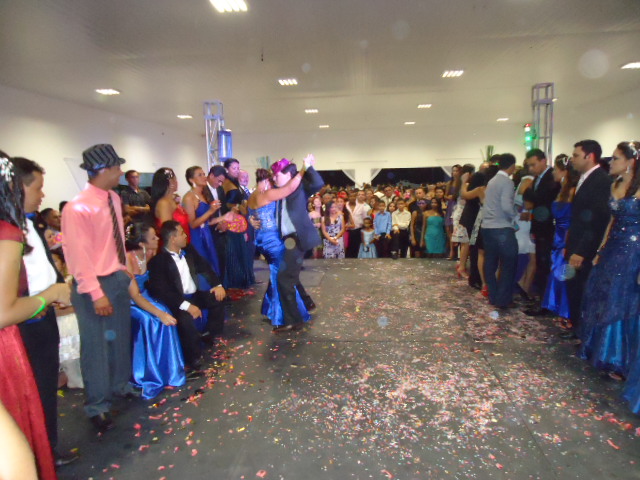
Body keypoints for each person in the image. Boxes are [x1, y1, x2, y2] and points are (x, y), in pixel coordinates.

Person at [0, 153, 70, 480]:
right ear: (16, 187)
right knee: (30, 398)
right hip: (21, 328)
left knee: (43, 390)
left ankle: (47, 449)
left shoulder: (28, 224)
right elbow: (6, 307)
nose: (43, 195)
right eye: (38, 187)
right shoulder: (9, 232)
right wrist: (50, 295)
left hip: (40, 317)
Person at [62, 144, 136, 432]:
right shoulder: (77, 208)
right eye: (117, 168)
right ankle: (97, 405)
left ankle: (120, 385)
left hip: (116, 277)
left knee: (120, 339)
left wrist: (123, 268)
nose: (120, 172)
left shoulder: (113, 198)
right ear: (103, 170)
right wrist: (96, 293)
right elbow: (77, 257)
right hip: (94, 283)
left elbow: (114, 240)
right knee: (96, 348)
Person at [579, 141, 639, 380]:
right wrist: (600, 250)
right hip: (613, 248)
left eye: (615, 158)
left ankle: (619, 359)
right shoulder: (615, 184)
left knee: (621, 300)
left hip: (633, 251)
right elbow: (611, 222)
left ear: (630, 162)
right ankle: (601, 351)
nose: (610, 162)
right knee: (602, 295)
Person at [147, 221, 226, 369]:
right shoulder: (159, 261)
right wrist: (187, 306)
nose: (185, 236)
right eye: (182, 233)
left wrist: (217, 285)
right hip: (177, 301)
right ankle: (193, 358)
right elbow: (164, 291)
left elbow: (204, 267)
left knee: (219, 299)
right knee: (185, 320)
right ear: (173, 239)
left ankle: (209, 334)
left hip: (194, 295)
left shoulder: (188, 250)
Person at [125, 223, 186, 399]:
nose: (158, 239)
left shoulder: (150, 253)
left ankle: (169, 370)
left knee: (166, 311)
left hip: (147, 296)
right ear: (142, 244)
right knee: (150, 319)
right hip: (131, 301)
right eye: (153, 237)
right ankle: (148, 373)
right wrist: (160, 314)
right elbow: (135, 295)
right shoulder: (127, 259)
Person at [562, 140, 612, 338]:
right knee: (574, 287)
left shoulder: (601, 180)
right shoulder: (584, 178)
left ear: (589, 156)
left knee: (581, 289)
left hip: (584, 247)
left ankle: (581, 331)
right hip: (576, 242)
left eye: (576, 155)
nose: (572, 159)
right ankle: (576, 327)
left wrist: (581, 250)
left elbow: (597, 219)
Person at [247, 168, 310, 327]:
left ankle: (270, 309)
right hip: (273, 241)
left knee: (278, 274)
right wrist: (303, 169)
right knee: (280, 278)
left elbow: (249, 211)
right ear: (266, 181)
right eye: (272, 180)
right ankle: (281, 317)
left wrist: (250, 219)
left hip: (262, 239)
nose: (274, 183)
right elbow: (289, 188)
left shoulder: (253, 195)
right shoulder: (267, 194)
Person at [271, 156, 324, 332]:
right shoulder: (278, 191)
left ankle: (293, 320)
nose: (274, 178)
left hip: (296, 239)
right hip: (286, 240)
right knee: (289, 277)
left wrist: (307, 167)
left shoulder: (299, 187)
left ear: (288, 175)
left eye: (277, 175)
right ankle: (306, 304)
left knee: (284, 279)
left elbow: (318, 183)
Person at [522, 149, 561, 315]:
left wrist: (527, 191)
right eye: (529, 166)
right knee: (540, 264)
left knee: (544, 266)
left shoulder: (551, 177)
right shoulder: (538, 178)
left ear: (543, 161)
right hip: (540, 226)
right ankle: (541, 300)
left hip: (549, 228)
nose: (531, 168)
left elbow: (541, 199)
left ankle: (545, 303)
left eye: (534, 164)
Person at [540, 155, 578, 324]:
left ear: (564, 172)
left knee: (563, 274)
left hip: (566, 238)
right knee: (557, 273)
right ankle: (559, 310)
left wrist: (568, 243)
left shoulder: (573, 191)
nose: (553, 172)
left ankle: (567, 313)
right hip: (557, 236)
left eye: (555, 169)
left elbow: (574, 219)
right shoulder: (561, 190)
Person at [480, 154, 518, 309]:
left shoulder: (492, 181)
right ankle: (503, 299)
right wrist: (515, 216)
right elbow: (507, 206)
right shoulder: (507, 182)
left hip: (487, 227)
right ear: (512, 166)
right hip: (502, 227)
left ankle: (493, 296)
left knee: (491, 263)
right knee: (509, 263)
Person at [183, 166, 231, 276]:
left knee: (213, 267)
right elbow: (193, 224)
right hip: (198, 237)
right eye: (200, 175)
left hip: (207, 234)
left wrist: (223, 218)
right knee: (204, 269)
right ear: (191, 180)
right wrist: (210, 211)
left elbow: (207, 221)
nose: (204, 177)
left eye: (204, 174)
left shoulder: (204, 194)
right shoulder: (189, 198)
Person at [151, 167, 191, 244]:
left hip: (184, 242)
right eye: (174, 179)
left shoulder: (172, 200)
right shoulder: (164, 203)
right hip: (175, 245)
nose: (176, 182)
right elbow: (168, 232)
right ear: (169, 182)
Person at [206, 166, 229, 280]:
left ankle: (223, 284)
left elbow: (223, 208)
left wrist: (224, 222)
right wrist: (217, 223)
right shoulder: (203, 190)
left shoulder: (220, 189)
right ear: (211, 176)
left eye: (222, 182)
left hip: (221, 228)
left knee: (222, 260)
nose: (220, 184)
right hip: (208, 229)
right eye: (218, 180)